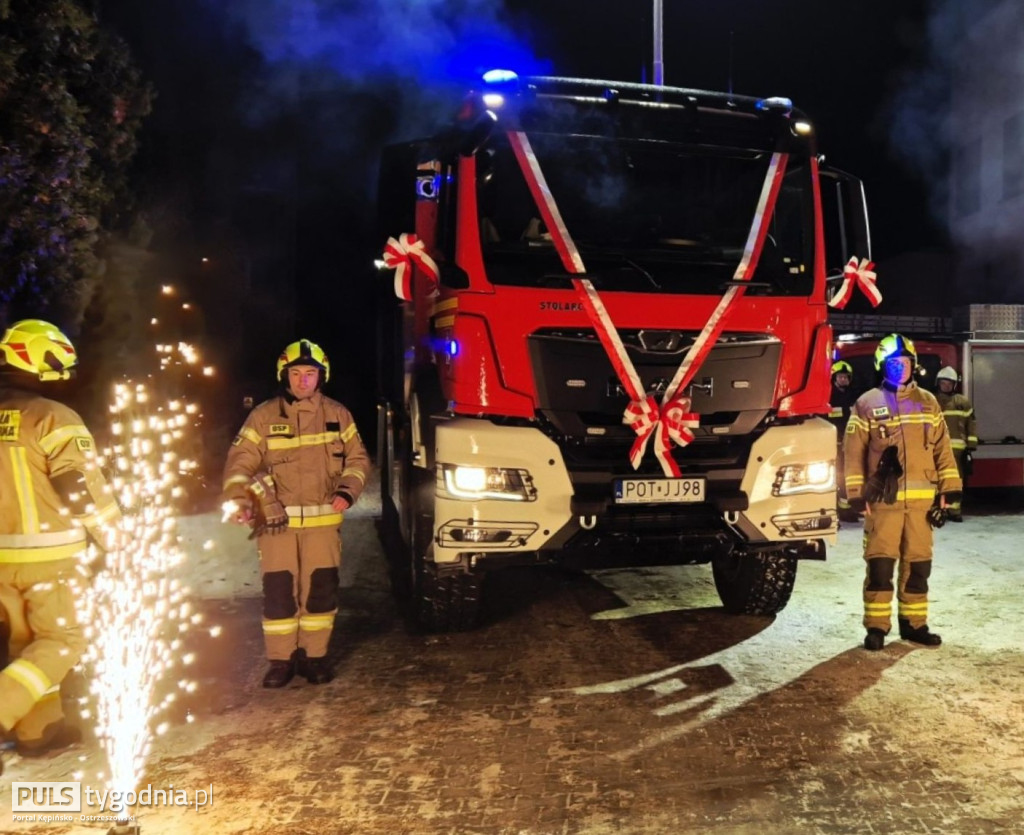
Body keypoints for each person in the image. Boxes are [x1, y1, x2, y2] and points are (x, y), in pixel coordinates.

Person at [0, 320, 120, 763]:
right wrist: (115, 538)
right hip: (51, 557)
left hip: (1, 559)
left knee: (27, 645)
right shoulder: (53, 416)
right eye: (59, 361)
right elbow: (78, 485)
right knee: (65, 640)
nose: (66, 370)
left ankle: (39, 731)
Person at [221, 339, 370, 688]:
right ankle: (281, 661)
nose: (304, 380)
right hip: (277, 527)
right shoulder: (262, 416)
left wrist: (348, 492)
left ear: (322, 377)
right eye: (297, 373)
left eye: (311, 373)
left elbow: (359, 460)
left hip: (323, 525)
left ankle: (314, 657)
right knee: (278, 593)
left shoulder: (338, 415)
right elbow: (240, 463)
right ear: (284, 375)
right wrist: (242, 500)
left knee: (320, 593)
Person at [844, 334, 961, 651]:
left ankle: (914, 625)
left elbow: (942, 449)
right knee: (880, 567)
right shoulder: (867, 403)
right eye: (893, 364)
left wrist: (948, 489)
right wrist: (856, 494)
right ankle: (877, 628)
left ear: (914, 366)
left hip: (922, 506)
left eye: (905, 363)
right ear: (883, 367)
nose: (900, 369)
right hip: (884, 502)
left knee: (919, 566)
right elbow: (853, 453)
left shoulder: (929, 402)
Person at [934, 366, 977, 522]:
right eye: (943, 383)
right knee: (936, 479)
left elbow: (971, 423)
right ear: (938, 383)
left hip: (957, 451)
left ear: (954, 385)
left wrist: (971, 444)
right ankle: (937, 508)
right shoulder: (932, 400)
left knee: (956, 480)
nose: (946, 386)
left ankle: (954, 510)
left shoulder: (962, 401)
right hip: (936, 449)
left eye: (949, 384)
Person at [828, 360, 859, 523]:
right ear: (834, 378)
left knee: (848, 477)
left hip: (850, 445)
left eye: (846, 377)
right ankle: (834, 510)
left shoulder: (855, 397)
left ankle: (847, 510)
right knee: (833, 478)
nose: (843, 380)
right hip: (832, 445)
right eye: (840, 377)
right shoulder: (828, 396)